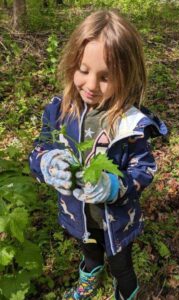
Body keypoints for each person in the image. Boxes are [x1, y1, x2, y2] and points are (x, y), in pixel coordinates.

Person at [29, 9, 167, 300]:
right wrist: (47, 162)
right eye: (84, 70)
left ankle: (126, 293)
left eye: (106, 77)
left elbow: (144, 169)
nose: (91, 86)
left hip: (117, 219)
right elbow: (41, 148)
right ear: (71, 64)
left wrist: (116, 186)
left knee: (121, 264)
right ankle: (87, 280)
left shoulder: (129, 124)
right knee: (89, 251)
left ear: (127, 77)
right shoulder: (59, 110)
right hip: (78, 215)